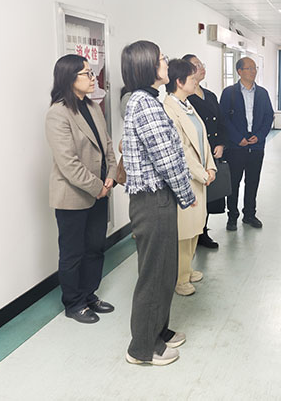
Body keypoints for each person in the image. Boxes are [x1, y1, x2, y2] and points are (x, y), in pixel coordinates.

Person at [121, 40, 195, 366]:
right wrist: (186, 194)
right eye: (162, 59)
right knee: (154, 275)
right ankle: (142, 348)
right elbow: (166, 159)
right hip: (153, 201)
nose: (166, 63)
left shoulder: (148, 100)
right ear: (147, 66)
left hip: (157, 198)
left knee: (164, 271)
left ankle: (158, 331)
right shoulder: (145, 105)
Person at [45, 54, 117, 324]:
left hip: (101, 191)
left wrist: (111, 176)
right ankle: (74, 303)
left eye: (91, 72)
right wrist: (98, 187)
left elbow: (107, 145)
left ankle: (89, 295)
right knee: (73, 252)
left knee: (95, 247)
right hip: (73, 196)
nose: (92, 78)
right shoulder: (58, 113)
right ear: (69, 78)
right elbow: (68, 163)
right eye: (86, 74)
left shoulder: (93, 106)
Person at [163, 59, 216, 296]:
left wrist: (211, 167)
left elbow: (203, 138)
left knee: (196, 226)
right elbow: (181, 149)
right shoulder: (169, 108)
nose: (196, 82)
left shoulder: (187, 105)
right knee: (184, 231)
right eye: (193, 79)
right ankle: (179, 278)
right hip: (186, 178)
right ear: (179, 81)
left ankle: (187, 268)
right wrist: (202, 173)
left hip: (201, 177)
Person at [220, 57, 274, 230]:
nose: (253, 71)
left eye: (254, 68)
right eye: (249, 68)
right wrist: (237, 138)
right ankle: (232, 216)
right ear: (239, 71)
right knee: (233, 182)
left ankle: (249, 214)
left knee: (252, 182)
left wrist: (260, 136)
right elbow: (223, 119)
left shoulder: (262, 93)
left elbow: (269, 116)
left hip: (256, 145)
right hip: (236, 146)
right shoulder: (229, 92)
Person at [182, 53, 226, 249]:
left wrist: (221, 144)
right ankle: (195, 232)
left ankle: (203, 231)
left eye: (201, 64)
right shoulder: (185, 98)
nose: (201, 68)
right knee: (197, 194)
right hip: (195, 153)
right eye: (196, 65)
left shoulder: (210, 95)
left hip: (212, 152)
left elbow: (221, 122)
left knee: (210, 194)